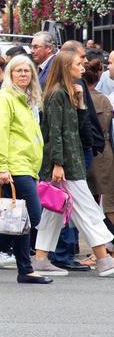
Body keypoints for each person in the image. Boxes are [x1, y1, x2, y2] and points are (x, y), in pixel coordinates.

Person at [33, 51, 114, 277]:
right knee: (86, 208)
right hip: (66, 164)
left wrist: (79, 103)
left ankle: (40, 258)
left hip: (70, 160)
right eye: (78, 64)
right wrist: (58, 163)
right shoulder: (57, 94)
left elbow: (78, 128)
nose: (83, 66)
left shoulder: (68, 93)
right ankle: (103, 258)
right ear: (67, 67)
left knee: (54, 211)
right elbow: (55, 133)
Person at [0, 54, 51, 284]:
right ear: (9, 74)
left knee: (20, 218)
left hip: (27, 166)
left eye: (27, 71)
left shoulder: (26, 100)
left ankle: (25, 269)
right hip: (14, 167)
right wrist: (2, 168)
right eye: (18, 71)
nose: (23, 74)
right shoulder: (4, 98)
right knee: (32, 215)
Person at [84, 58, 114, 246]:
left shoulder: (93, 98)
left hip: (96, 152)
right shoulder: (104, 98)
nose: (108, 66)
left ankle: (106, 246)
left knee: (101, 203)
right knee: (102, 201)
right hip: (104, 151)